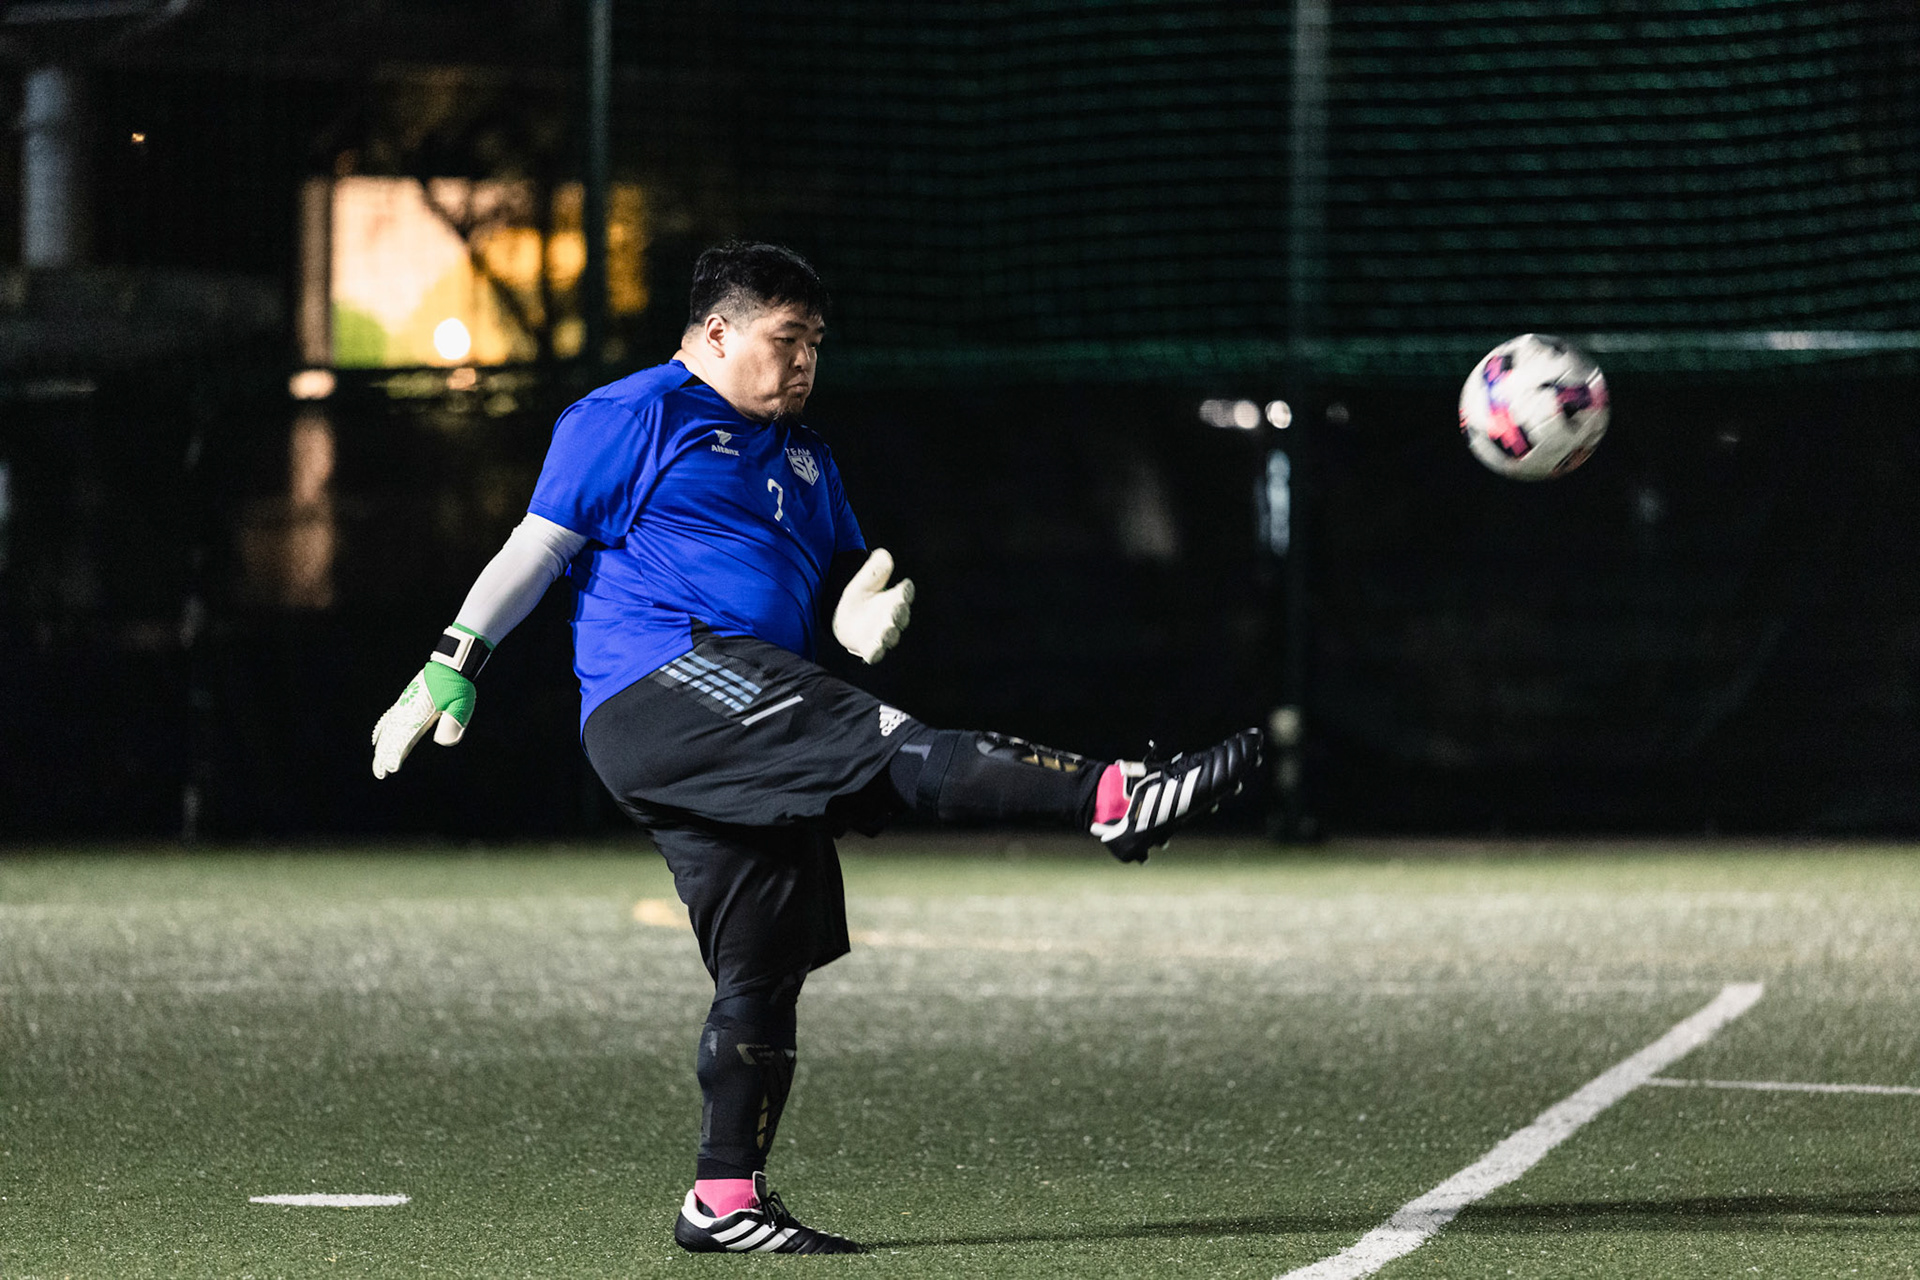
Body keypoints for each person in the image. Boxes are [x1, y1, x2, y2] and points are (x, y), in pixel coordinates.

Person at [370, 241, 1261, 1254]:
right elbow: (537, 547)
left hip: (736, 715)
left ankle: (722, 1198)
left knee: (762, 967)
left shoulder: (807, 457)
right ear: (714, 333)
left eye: (816, 344)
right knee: (895, 745)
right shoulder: (632, 415)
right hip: (663, 685)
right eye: (785, 339)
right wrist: (455, 659)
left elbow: (845, 577)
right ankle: (1113, 795)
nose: (804, 363)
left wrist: (856, 615)